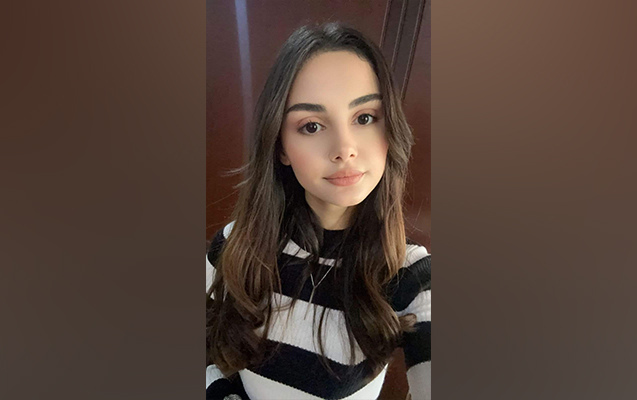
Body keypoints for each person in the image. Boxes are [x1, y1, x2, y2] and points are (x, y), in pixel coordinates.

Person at [206, 22, 430, 400]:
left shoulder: (412, 275)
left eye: (364, 118)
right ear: (281, 147)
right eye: (311, 126)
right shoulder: (233, 244)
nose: (344, 149)